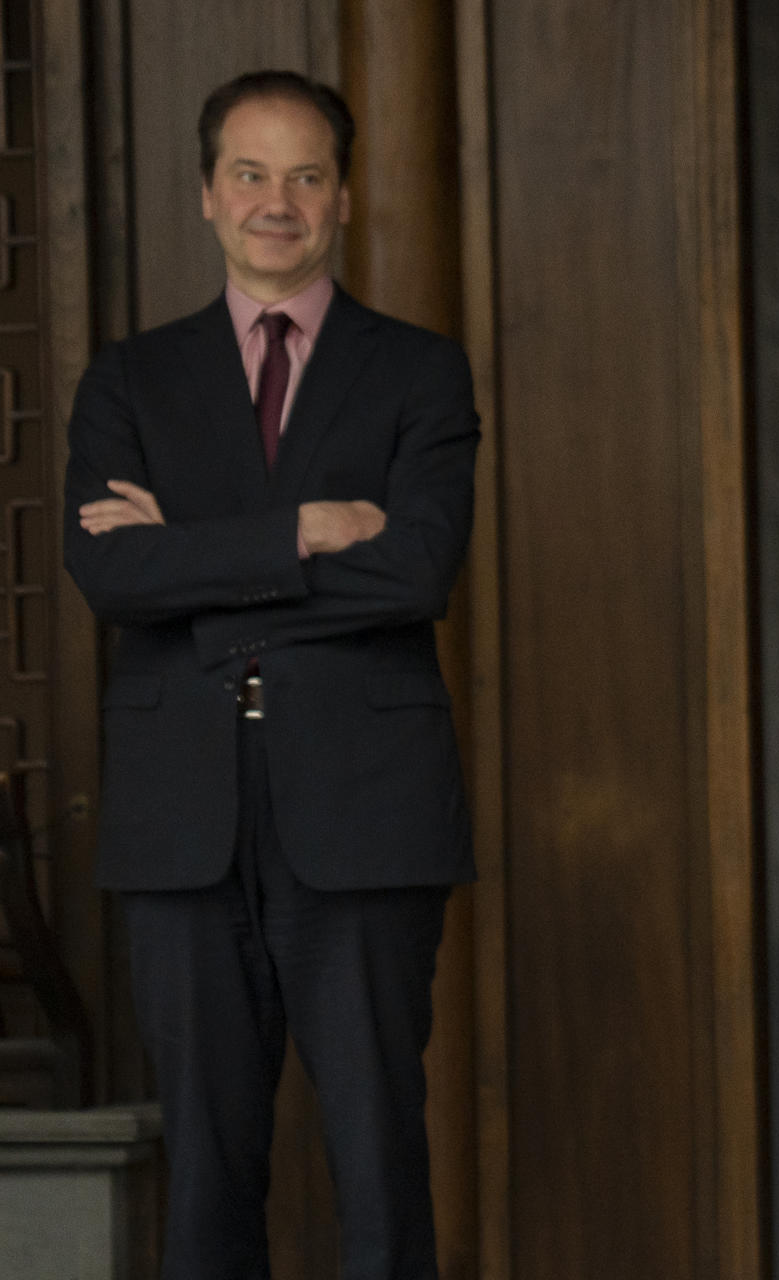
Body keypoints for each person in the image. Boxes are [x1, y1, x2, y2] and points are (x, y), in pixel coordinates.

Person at [63, 70, 477, 1280]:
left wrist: (191, 558)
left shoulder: (420, 371)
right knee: (207, 1161)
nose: (276, 202)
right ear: (206, 195)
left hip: (365, 812)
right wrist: (300, 530)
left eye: (304, 175)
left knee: (379, 1156)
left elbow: (414, 575)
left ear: (342, 195)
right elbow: (112, 581)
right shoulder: (129, 380)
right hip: (179, 818)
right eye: (250, 173)